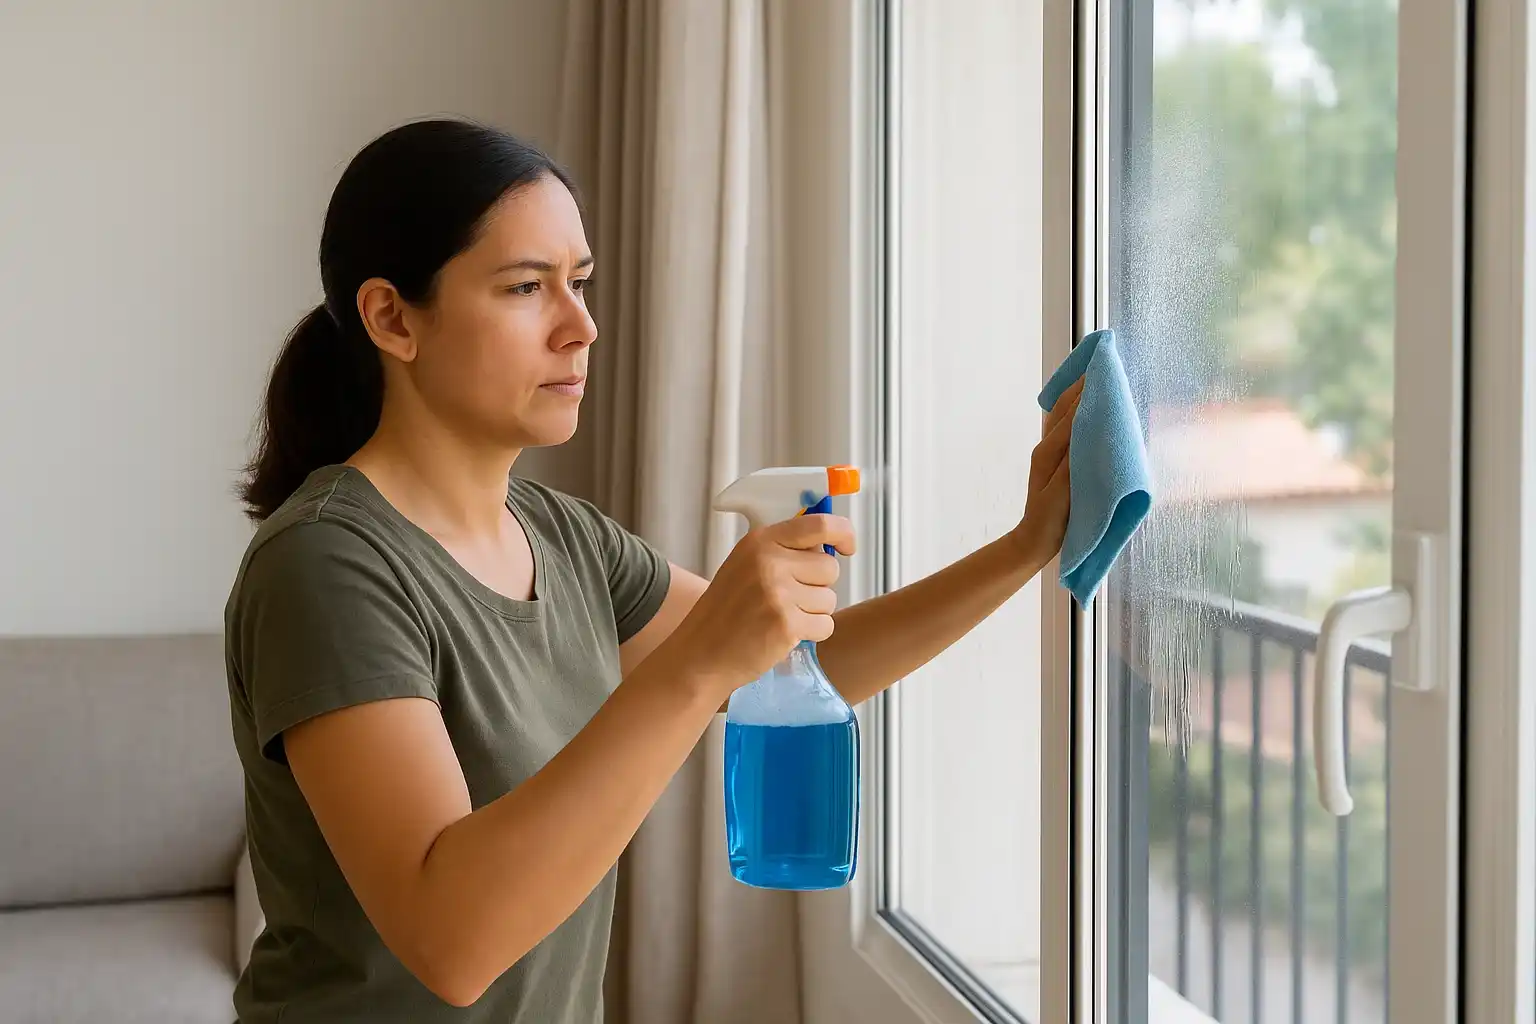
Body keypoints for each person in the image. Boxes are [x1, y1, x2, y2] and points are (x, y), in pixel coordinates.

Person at [226, 117, 1080, 1024]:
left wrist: (1024, 547)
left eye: (580, 283)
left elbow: (801, 669)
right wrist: (702, 661)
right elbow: (452, 940)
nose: (582, 327)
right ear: (392, 318)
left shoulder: (563, 536)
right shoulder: (325, 565)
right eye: (526, 288)